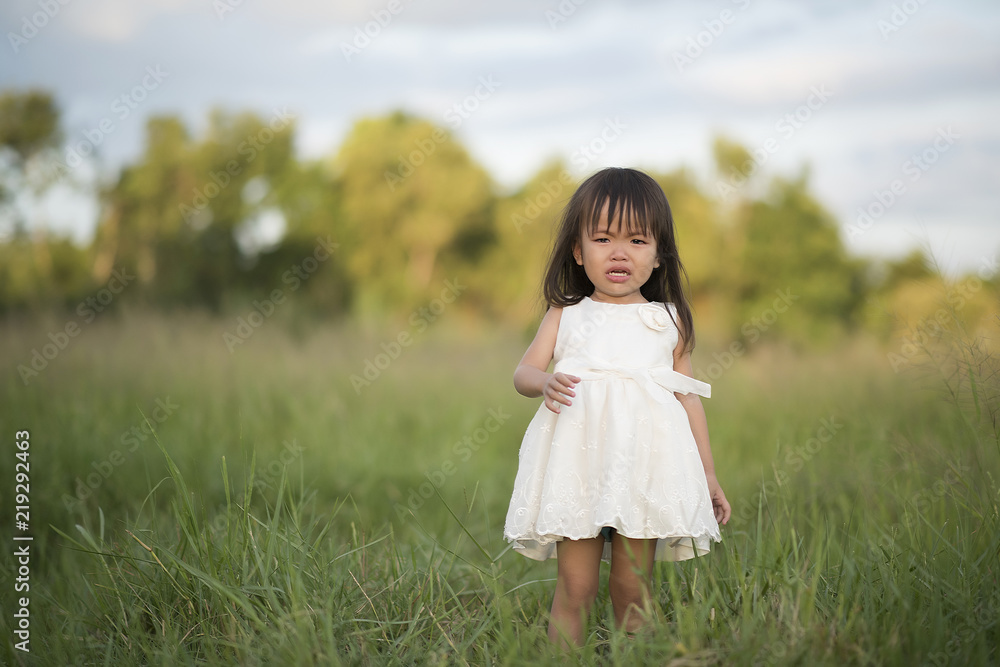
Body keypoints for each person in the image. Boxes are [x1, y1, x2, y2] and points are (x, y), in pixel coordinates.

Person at [503, 167, 731, 649]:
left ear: (660, 253)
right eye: (603, 238)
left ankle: (634, 656)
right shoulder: (565, 313)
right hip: (579, 466)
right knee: (577, 587)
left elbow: (687, 397)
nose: (619, 252)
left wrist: (707, 474)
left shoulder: (667, 320)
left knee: (632, 588)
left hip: (644, 470)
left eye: (637, 240)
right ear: (578, 251)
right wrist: (544, 381)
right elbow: (523, 373)